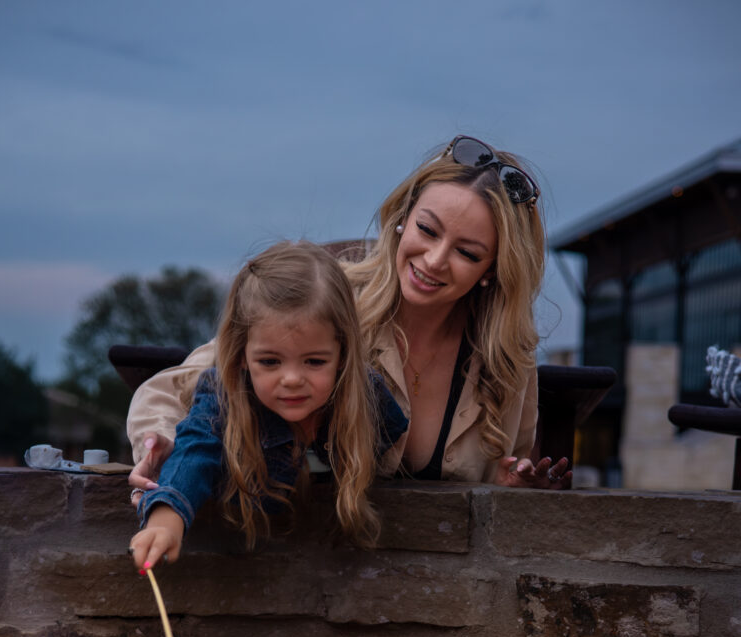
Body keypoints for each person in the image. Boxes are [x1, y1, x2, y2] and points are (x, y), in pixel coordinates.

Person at [126, 134, 571, 498]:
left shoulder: (508, 359)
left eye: (466, 252)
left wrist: (509, 487)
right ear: (403, 216)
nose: (434, 260)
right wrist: (160, 444)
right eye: (427, 230)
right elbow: (170, 390)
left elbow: (497, 479)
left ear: (493, 270)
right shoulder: (329, 299)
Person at [129, 241, 408, 570]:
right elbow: (194, 451)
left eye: (314, 361)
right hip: (244, 560)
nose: (291, 379)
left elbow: (391, 440)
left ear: (343, 354)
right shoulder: (223, 398)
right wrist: (165, 519)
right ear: (243, 355)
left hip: (340, 560)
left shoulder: (367, 397)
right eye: (270, 361)